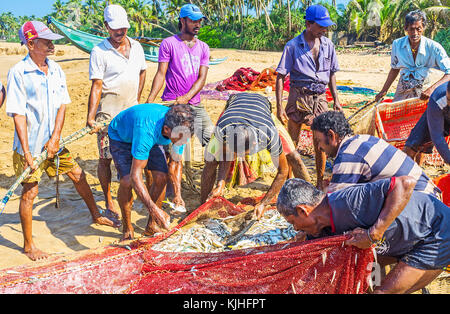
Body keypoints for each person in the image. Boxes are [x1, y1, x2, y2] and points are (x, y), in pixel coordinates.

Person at [6, 21, 119, 261]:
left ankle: (96, 214)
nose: (51, 44)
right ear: (30, 44)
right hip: (30, 148)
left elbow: (62, 106)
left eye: (51, 40)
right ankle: (28, 245)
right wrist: (27, 152)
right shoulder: (18, 72)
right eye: (46, 41)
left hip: (54, 145)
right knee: (30, 192)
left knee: (78, 175)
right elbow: (18, 114)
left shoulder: (56, 69)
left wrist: (56, 138)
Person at [276, 177, 449, 294]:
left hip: (436, 233)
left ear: (303, 210)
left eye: (293, 223)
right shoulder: (320, 229)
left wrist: (373, 233)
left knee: (383, 292)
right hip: (402, 241)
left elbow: (405, 183)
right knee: (361, 277)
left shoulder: (347, 201)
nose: (296, 229)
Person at [201, 93, 311, 220]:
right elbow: (224, 155)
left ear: (255, 144)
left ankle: (309, 198)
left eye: (244, 154)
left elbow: (283, 171)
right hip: (234, 104)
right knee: (211, 163)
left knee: (294, 157)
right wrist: (220, 184)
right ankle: (203, 206)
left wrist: (263, 203)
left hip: (262, 106)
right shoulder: (222, 130)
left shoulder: (269, 134)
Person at [86, 4, 147, 221]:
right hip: (108, 115)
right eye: (115, 29)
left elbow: (142, 73)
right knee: (105, 159)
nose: (120, 32)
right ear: (106, 27)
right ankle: (109, 200)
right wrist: (91, 118)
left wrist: (137, 99)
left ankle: (130, 194)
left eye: (124, 28)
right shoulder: (99, 51)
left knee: (134, 156)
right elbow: (96, 86)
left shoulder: (137, 48)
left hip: (132, 113)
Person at [275, 4, 341, 191]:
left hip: (320, 97)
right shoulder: (293, 46)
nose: (324, 29)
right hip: (298, 96)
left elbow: (332, 74)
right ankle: (287, 181)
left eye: (326, 26)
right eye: (321, 26)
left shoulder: (329, 45)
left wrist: (335, 99)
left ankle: (319, 181)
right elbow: (280, 77)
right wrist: (280, 108)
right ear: (308, 24)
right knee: (292, 141)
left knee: (322, 141)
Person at [107, 103, 194, 241]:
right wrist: (154, 210)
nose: (182, 142)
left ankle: (151, 226)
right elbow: (136, 176)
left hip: (150, 136)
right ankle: (127, 227)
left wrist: (177, 194)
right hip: (122, 137)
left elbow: (175, 163)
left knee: (161, 177)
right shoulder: (147, 131)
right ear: (166, 129)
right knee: (127, 180)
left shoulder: (180, 130)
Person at [311, 110, 441, 198]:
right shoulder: (363, 139)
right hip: (427, 193)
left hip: (420, 200)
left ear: (331, 135)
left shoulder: (348, 155)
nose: (319, 147)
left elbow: (334, 202)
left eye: (319, 141)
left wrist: (325, 191)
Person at [146, 3, 213, 148]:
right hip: (173, 103)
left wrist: (187, 97)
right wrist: (150, 99)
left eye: (199, 21)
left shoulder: (203, 47)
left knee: (212, 139)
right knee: (174, 146)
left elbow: (202, 78)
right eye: (193, 21)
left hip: (194, 103)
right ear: (182, 21)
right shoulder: (168, 44)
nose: (198, 24)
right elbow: (161, 73)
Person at [375, 10, 450, 103]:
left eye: (418, 29)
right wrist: (383, 91)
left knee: (422, 114)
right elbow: (394, 68)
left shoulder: (434, 47)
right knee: (398, 112)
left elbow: (449, 72)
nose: (415, 33)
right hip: (403, 86)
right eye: (411, 29)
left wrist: (431, 89)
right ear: (406, 28)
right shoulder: (397, 44)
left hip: (423, 88)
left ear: (423, 28)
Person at [404, 82, 450, 165]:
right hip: (441, 115)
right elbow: (437, 136)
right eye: (449, 100)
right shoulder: (438, 99)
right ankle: (416, 174)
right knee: (411, 146)